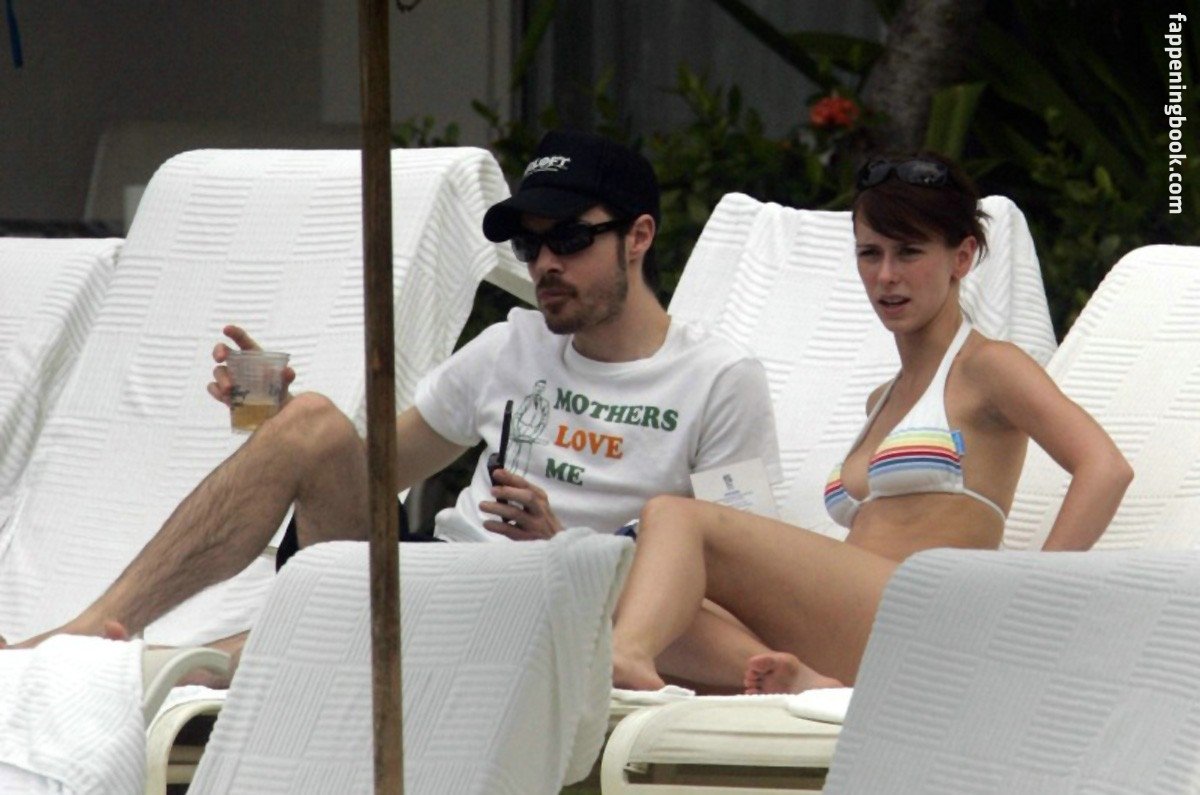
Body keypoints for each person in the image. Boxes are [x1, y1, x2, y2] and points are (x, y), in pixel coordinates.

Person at [0, 131, 781, 680]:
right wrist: (274, 416)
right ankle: (95, 632)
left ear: (638, 236)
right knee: (313, 424)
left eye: (570, 240)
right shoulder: (510, 347)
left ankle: (110, 667)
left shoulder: (717, 379)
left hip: (565, 616)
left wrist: (570, 550)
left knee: (265, 653)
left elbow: (740, 584)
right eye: (529, 245)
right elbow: (371, 471)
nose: (545, 264)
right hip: (435, 584)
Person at [610, 153, 1134, 695]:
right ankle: (800, 679)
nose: (886, 276)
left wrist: (1035, 592)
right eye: (870, 253)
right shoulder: (881, 400)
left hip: (928, 618)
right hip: (859, 625)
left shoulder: (988, 367)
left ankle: (626, 658)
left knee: (673, 517)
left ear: (961, 257)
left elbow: (1105, 467)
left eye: (909, 252)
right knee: (626, 575)